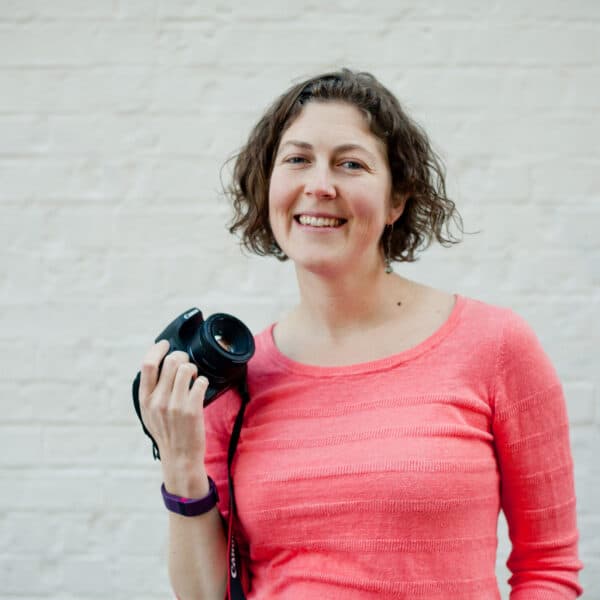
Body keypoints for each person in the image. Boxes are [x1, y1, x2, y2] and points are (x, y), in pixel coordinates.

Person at [138, 69, 583, 599]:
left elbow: (548, 568)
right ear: (269, 187)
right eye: (297, 160)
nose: (319, 185)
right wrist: (181, 464)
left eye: (351, 164)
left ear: (397, 200)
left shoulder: (495, 345)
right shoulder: (236, 378)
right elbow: (207, 595)